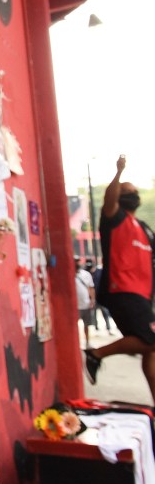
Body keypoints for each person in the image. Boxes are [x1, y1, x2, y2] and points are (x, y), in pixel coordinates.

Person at [83, 156, 155, 400]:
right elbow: (109, 199)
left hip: (143, 296)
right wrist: (118, 173)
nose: (131, 193)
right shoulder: (113, 218)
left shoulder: (145, 229)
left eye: (133, 191)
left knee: (151, 350)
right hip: (121, 289)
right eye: (126, 190)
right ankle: (96, 354)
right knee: (151, 340)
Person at [84, 258, 114, 333]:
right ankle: (96, 327)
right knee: (94, 313)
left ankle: (108, 327)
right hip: (93, 298)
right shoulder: (86, 273)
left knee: (105, 312)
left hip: (101, 296)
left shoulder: (99, 272)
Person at [75, 258, 96, 345]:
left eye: (78, 261)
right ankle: (77, 343)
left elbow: (91, 288)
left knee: (87, 324)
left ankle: (87, 341)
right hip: (75, 306)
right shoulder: (68, 274)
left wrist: (92, 300)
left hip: (86, 304)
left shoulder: (86, 274)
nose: (77, 263)